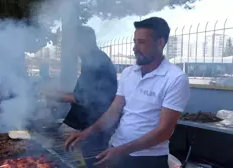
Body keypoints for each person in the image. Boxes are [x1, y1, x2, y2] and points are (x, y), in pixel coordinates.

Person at [64, 17, 191, 168]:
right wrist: (87, 132)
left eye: (142, 42)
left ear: (160, 43)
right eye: (134, 42)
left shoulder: (175, 78)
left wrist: (122, 151)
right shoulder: (128, 73)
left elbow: (164, 131)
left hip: (148, 159)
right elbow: (113, 112)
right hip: (117, 149)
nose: (135, 48)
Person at [44, 26, 118, 167]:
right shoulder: (92, 58)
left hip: (95, 123)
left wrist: (55, 95)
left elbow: (83, 98)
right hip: (91, 122)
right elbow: (83, 93)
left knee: (91, 161)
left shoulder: (95, 60)